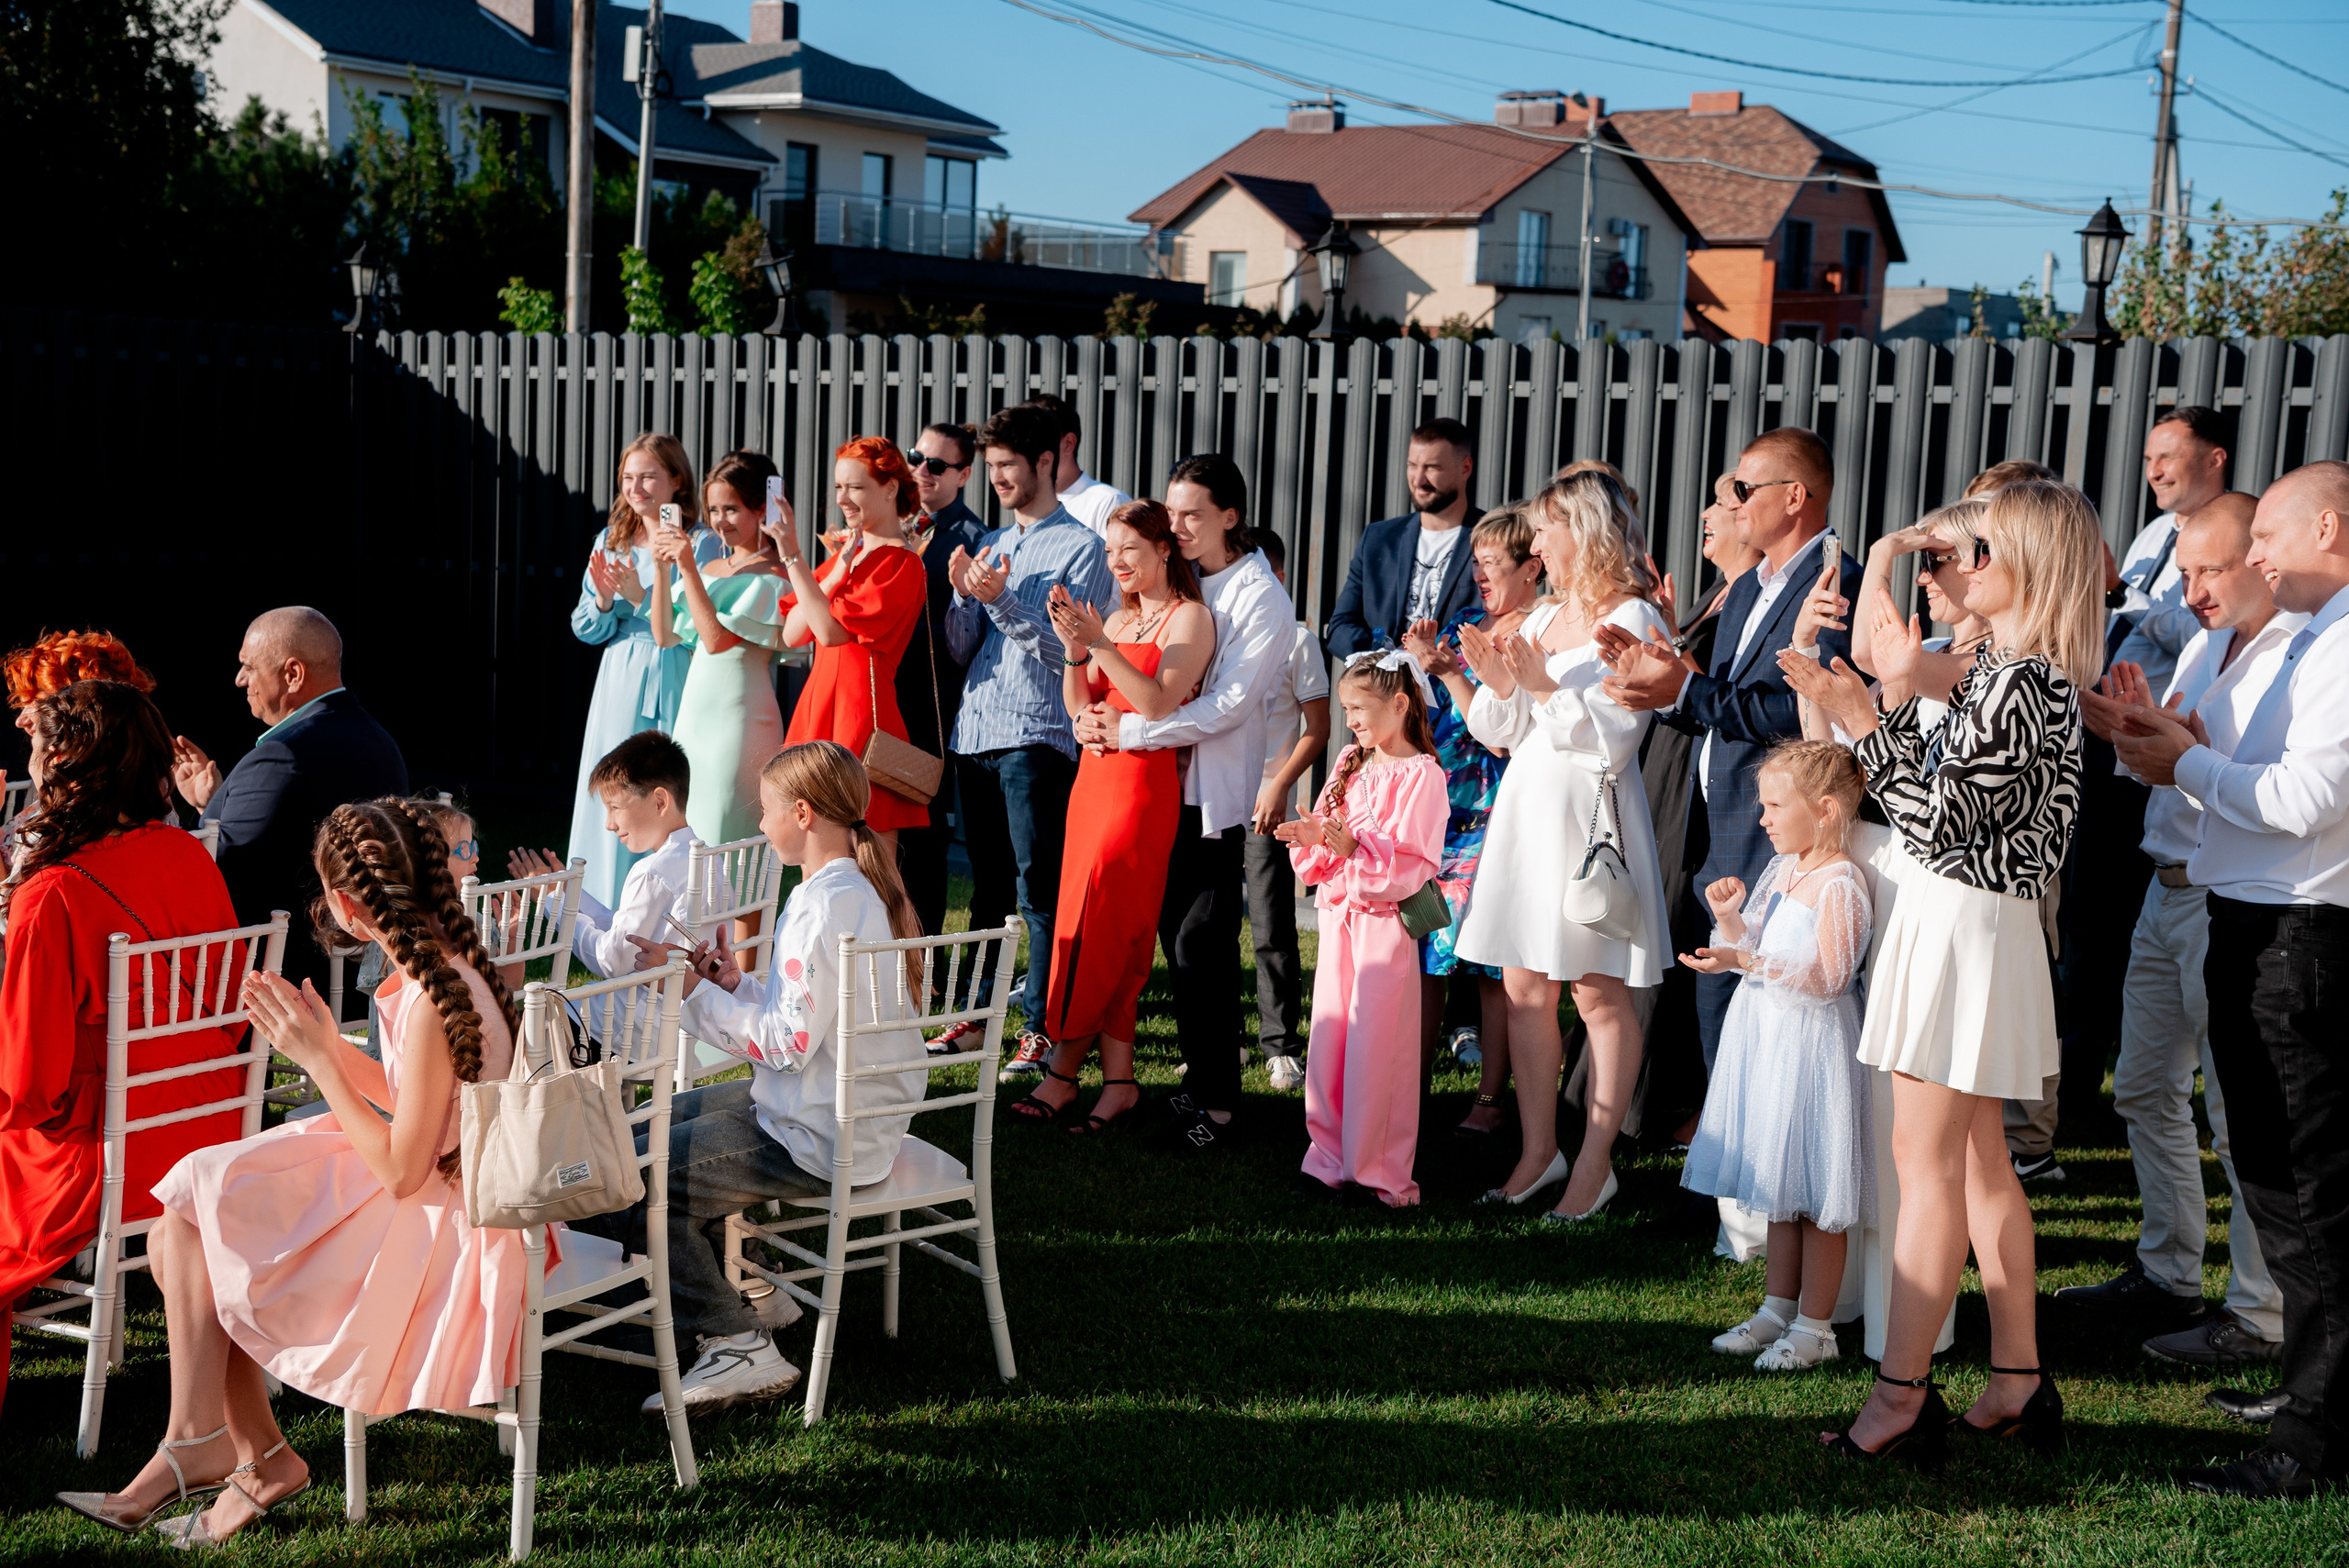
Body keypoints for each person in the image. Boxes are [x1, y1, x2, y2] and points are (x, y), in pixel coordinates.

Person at [66, 801, 528, 1546]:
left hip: (442, 1237)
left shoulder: (436, 995)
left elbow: (405, 1170)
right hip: (443, 1196)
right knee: (182, 1221)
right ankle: (235, 1446)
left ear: (347, 905)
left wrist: (317, 1060)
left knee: (195, 1224)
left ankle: (224, 1446)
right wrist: (328, 1046)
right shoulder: (441, 972)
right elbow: (417, 1102)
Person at [1780, 477, 2101, 1465]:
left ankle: (1901, 1394)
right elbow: (1897, 702)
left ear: (2027, 568)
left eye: (1968, 552)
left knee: (1927, 1172)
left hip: (1965, 920)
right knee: (1973, 1164)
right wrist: (1884, 556)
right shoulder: (1985, 667)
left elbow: (1940, 822)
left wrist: (1862, 715)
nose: (1948, 567)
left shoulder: (2025, 680)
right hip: (1962, 923)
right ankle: (2014, 1377)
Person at [2110, 460, 2349, 1499]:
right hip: (2260, 921)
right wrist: (2172, 746)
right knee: (2280, 1186)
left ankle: (2312, 1438)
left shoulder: (2341, 641)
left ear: (2329, 528)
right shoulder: (2305, 637)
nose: (2250, 558)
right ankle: (2313, 1407)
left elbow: (2303, 798)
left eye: (2266, 541)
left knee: (2306, 1198)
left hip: (2301, 934)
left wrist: (2186, 765)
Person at [603, 741, 928, 1414]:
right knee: (667, 1119)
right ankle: (750, 1288)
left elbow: (785, 1045)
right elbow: (798, 1019)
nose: (760, 824)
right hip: (827, 1108)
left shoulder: (822, 907)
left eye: (767, 810)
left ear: (803, 814)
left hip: (818, 1131)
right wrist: (732, 981)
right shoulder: (843, 889)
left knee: (634, 1175)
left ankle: (736, 1341)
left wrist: (689, 993)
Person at [2056, 495, 2288, 1377]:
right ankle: (2167, 1272)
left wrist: (2180, 749)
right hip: (2165, 887)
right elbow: (2167, 769)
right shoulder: (2202, 642)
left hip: (2230, 900)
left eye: (2209, 570)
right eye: (2183, 571)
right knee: (2145, 1087)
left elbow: (2277, 795)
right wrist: (2129, 731)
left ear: (2260, 562)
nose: (2189, 590)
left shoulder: (2291, 658)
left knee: (2238, 1118)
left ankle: (2260, 1310)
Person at [0, 683, 247, 1407]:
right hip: (206, 1128)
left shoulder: (51, 895)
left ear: (70, 766)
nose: (31, 764)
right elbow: (231, 1012)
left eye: (38, 749)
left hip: (106, 1154)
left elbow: (27, 1087)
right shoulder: (188, 853)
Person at [1597, 428, 1864, 1072]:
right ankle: (1725, 1150)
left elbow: (1803, 712)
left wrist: (1684, 687)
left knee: (1771, 993)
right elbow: (1718, 702)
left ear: (1795, 495)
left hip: (1779, 823)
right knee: (1717, 990)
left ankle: (1766, 1154)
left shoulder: (1836, 583)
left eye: (1746, 487)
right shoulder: (1746, 587)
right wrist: (1657, 690)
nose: (1735, 502)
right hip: (1716, 815)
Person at [1453, 470, 1672, 1222]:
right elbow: (1499, 730)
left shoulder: (1638, 617)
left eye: (1547, 528)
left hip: (1589, 820)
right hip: (1529, 813)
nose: (1536, 543)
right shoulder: (1545, 617)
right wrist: (1497, 683)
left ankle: (1594, 1163)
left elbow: (1615, 739)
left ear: (1584, 529)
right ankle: (1538, 1150)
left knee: (1598, 993)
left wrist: (1543, 689)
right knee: (1523, 987)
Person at [1073, 454, 1291, 1154]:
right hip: (1149, 792)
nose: (1179, 524)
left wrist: (1134, 728)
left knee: (1201, 946)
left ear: (1232, 516)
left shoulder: (1261, 598)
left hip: (1208, 797)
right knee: (1165, 942)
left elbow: (1227, 705)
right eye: (1173, 512)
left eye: (1194, 512)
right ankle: (1193, 1082)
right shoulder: (1180, 584)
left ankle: (1219, 1108)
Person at [1011, 500, 1214, 1133]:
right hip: (1093, 782)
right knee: (1111, 931)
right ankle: (1119, 1080)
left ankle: (1062, 1071)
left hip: (1141, 789)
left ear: (1164, 549)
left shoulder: (1190, 618)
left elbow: (1156, 700)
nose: (1117, 561)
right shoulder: (1120, 616)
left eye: (1129, 548)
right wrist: (1078, 649)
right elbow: (1081, 705)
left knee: (1103, 923)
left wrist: (1100, 641)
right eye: (1109, 551)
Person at [1677, 741, 1876, 1373]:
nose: (1761, 817)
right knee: (1781, 1188)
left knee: (1818, 1195)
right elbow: (1755, 943)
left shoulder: (1840, 881)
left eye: (1772, 804)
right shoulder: (1785, 867)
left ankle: (1816, 1326)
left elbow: (1830, 977)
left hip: (1814, 1049)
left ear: (1822, 809)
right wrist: (1730, 922)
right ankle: (1775, 1308)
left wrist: (1746, 959)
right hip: (1770, 1042)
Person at [945, 404, 1118, 1064]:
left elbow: (1071, 652)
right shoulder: (993, 542)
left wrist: (1001, 601)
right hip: (975, 734)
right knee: (985, 890)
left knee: (1036, 890)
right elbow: (962, 651)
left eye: (1009, 466)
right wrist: (965, 595)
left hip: (1037, 737)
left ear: (1047, 461)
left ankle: (1038, 1030)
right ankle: (974, 1017)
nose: (999, 479)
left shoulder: (1084, 548)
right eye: (991, 468)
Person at [1280, 654, 1449, 1207]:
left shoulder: (1423, 775)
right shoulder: (1352, 760)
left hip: (1383, 929)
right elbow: (1328, 843)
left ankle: (1379, 1173)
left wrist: (1351, 848)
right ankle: (1327, 1156)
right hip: (1339, 922)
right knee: (1332, 1037)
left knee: (1379, 1047)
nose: (1349, 719)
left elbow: (1414, 863)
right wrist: (1313, 837)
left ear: (1399, 705)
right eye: (1346, 707)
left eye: (1359, 708)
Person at [170, 607, 408, 990]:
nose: (239, 679)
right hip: (363, 958)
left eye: (248, 666)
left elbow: (222, 870)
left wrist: (169, 814)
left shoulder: (283, 754)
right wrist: (211, 803)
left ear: (293, 674)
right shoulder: (377, 738)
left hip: (284, 966)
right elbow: (288, 833)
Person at [1401, 506, 1538, 1135]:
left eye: (1491, 562)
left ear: (1531, 566)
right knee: (1419, 942)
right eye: (1475, 561)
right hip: (1438, 810)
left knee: (1485, 959)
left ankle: (1489, 1100)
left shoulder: (1535, 634)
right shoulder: (1463, 624)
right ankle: (1408, 1081)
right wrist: (1422, 664)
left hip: (1494, 813)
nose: (1478, 573)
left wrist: (1451, 671)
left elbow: (1505, 737)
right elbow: (1433, 713)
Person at [1639, 473, 1762, 1143]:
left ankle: (1707, 1103)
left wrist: (1673, 666)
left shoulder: (1753, 597)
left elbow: (1707, 692)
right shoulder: (1720, 595)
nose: (1707, 514)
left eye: (1723, 503)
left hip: (1721, 795)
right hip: (1681, 780)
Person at [567, 433, 724, 909]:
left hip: (675, 670)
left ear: (676, 480)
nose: (636, 487)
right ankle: (603, 907)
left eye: (649, 476)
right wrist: (605, 599)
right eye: (628, 477)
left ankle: (666, 904)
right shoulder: (610, 539)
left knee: (664, 786)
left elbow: (698, 623)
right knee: (616, 782)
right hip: (620, 674)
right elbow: (584, 628)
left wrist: (639, 596)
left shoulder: (701, 541)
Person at [767, 439, 934, 851]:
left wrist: (793, 555)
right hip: (821, 705)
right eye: (839, 487)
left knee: (866, 858)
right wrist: (834, 568)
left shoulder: (901, 562)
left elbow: (826, 632)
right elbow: (792, 632)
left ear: (891, 488)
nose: (842, 498)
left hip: (861, 715)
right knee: (814, 850)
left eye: (854, 487)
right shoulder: (849, 553)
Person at [651, 450, 787, 848]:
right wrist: (664, 567)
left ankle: (739, 913)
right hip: (693, 717)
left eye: (731, 509)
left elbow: (715, 640)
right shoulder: (711, 569)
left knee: (727, 837)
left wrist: (688, 566)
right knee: (688, 835)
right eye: (713, 509)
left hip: (740, 722)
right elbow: (664, 635)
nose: (719, 521)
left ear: (761, 509)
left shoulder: (775, 574)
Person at [897, 422, 988, 951]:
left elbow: (967, 636)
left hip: (934, 706)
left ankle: (920, 958)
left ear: (964, 475)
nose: (923, 471)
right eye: (916, 457)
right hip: (881, 696)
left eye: (938, 465)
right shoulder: (892, 524)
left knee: (923, 836)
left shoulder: (972, 541)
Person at [1245, 532, 1330, 1093]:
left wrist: (1279, 786)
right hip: (1210, 798)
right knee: (1201, 929)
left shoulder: (1299, 640)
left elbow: (1318, 729)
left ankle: (1280, 1044)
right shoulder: (1217, 630)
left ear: (1280, 577)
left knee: (1271, 926)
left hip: (1265, 804)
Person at [1325, 417, 1483, 659]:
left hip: (1452, 690)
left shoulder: (1491, 539)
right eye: (1412, 465)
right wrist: (1388, 663)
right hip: (1381, 688)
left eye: (1432, 468)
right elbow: (1340, 628)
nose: (1418, 480)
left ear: (1465, 468)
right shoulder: (1378, 539)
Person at [2, 630, 155, 869]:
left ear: (87, 712)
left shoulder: (84, 811)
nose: (21, 721)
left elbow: (13, 903)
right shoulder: (141, 789)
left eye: (40, 703)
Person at [1022, 393, 1131, 538]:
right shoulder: (1027, 501)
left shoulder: (1107, 502)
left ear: (1068, 443)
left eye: (1037, 441)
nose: (1026, 452)